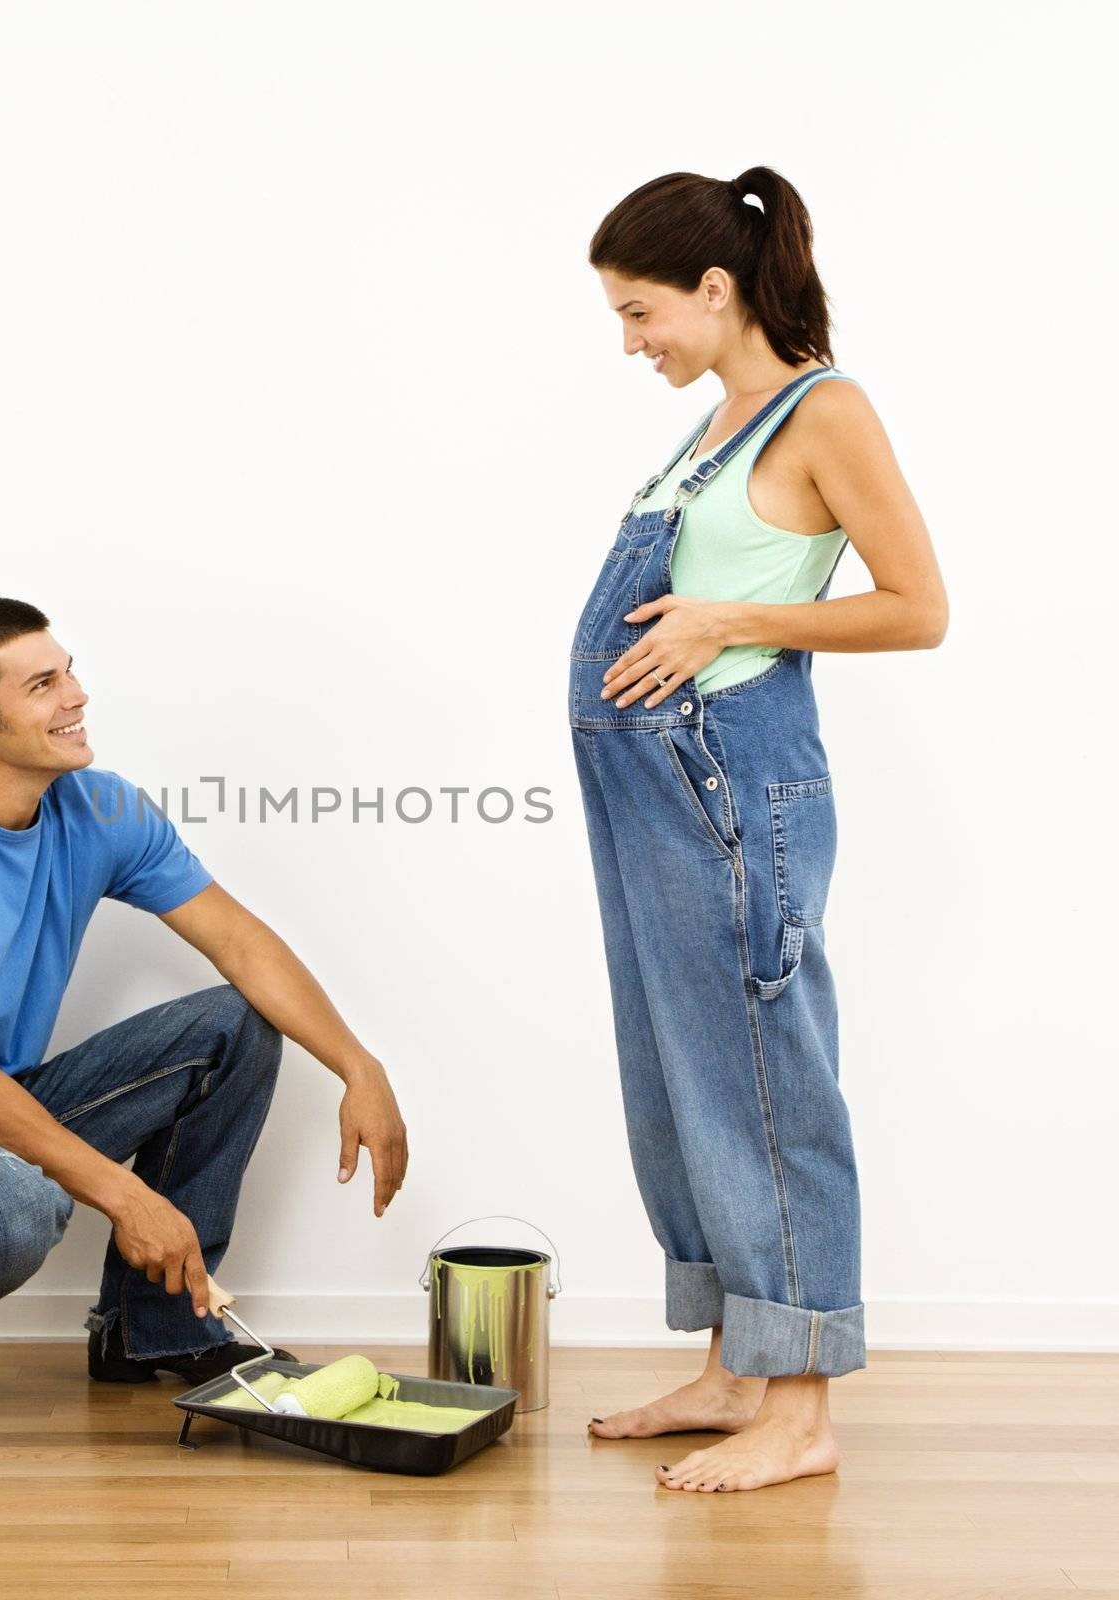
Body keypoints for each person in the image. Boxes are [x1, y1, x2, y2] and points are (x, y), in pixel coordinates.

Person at [0, 597, 409, 1415]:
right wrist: (129, 1199)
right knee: (18, 1206)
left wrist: (358, 1067)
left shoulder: (100, 807)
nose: (76, 695)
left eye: (69, 671)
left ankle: (151, 1330)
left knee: (236, 1023)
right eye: (44, 683)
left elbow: (240, 942)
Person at [571, 168, 947, 1492]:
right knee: (685, 1082)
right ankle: (741, 1364)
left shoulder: (821, 410)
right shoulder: (719, 421)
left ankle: (802, 1410)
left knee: (767, 1085)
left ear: (716, 291)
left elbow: (917, 605)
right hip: (653, 790)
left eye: (640, 313)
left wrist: (730, 620)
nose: (632, 344)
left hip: (734, 779)